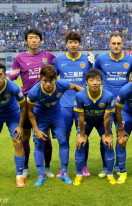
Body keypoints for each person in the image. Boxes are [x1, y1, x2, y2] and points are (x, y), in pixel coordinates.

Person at [8, 28, 56, 179]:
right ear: (26, 40)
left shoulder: (49, 56)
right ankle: (25, 168)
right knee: (26, 136)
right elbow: (11, 78)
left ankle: (47, 168)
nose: (34, 40)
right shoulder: (19, 58)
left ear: (40, 40)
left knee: (45, 135)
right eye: (31, 38)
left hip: (45, 102)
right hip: (27, 102)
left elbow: (63, 69)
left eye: (36, 38)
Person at [27, 65, 84, 186]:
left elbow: (74, 86)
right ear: (40, 79)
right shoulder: (34, 91)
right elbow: (29, 111)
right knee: (39, 143)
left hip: (56, 115)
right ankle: (40, 175)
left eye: (51, 81)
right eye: (45, 81)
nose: (48, 84)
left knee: (63, 141)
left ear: (55, 79)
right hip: (40, 117)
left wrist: (86, 96)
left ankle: (64, 173)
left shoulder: (61, 84)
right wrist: (36, 129)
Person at [95, 33, 132, 177]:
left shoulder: (130, 60)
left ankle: (118, 165)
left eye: (119, 43)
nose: (116, 46)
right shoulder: (101, 59)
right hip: (105, 105)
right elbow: (95, 76)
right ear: (109, 44)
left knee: (121, 136)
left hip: (123, 106)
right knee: (105, 135)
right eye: (114, 43)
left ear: (123, 44)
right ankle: (106, 166)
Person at [54, 31, 93, 177]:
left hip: (82, 104)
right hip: (64, 105)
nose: (73, 45)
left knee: (83, 135)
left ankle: (83, 166)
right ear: (66, 44)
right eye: (70, 42)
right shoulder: (59, 60)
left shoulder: (87, 59)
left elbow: (93, 78)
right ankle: (63, 167)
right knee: (64, 136)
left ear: (79, 44)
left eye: (75, 42)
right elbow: (52, 79)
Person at [73, 69, 116, 186]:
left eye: (98, 80)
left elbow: (107, 117)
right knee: (80, 143)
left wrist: (107, 134)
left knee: (108, 144)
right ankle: (78, 174)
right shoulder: (80, 95)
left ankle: (110, 173)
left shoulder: (108, 95)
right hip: (86, 122)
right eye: (91, 80)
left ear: (102, 82)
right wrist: (81, 134)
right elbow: (80, 117)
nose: (95, 83)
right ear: (86, 82)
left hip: (102, 122)